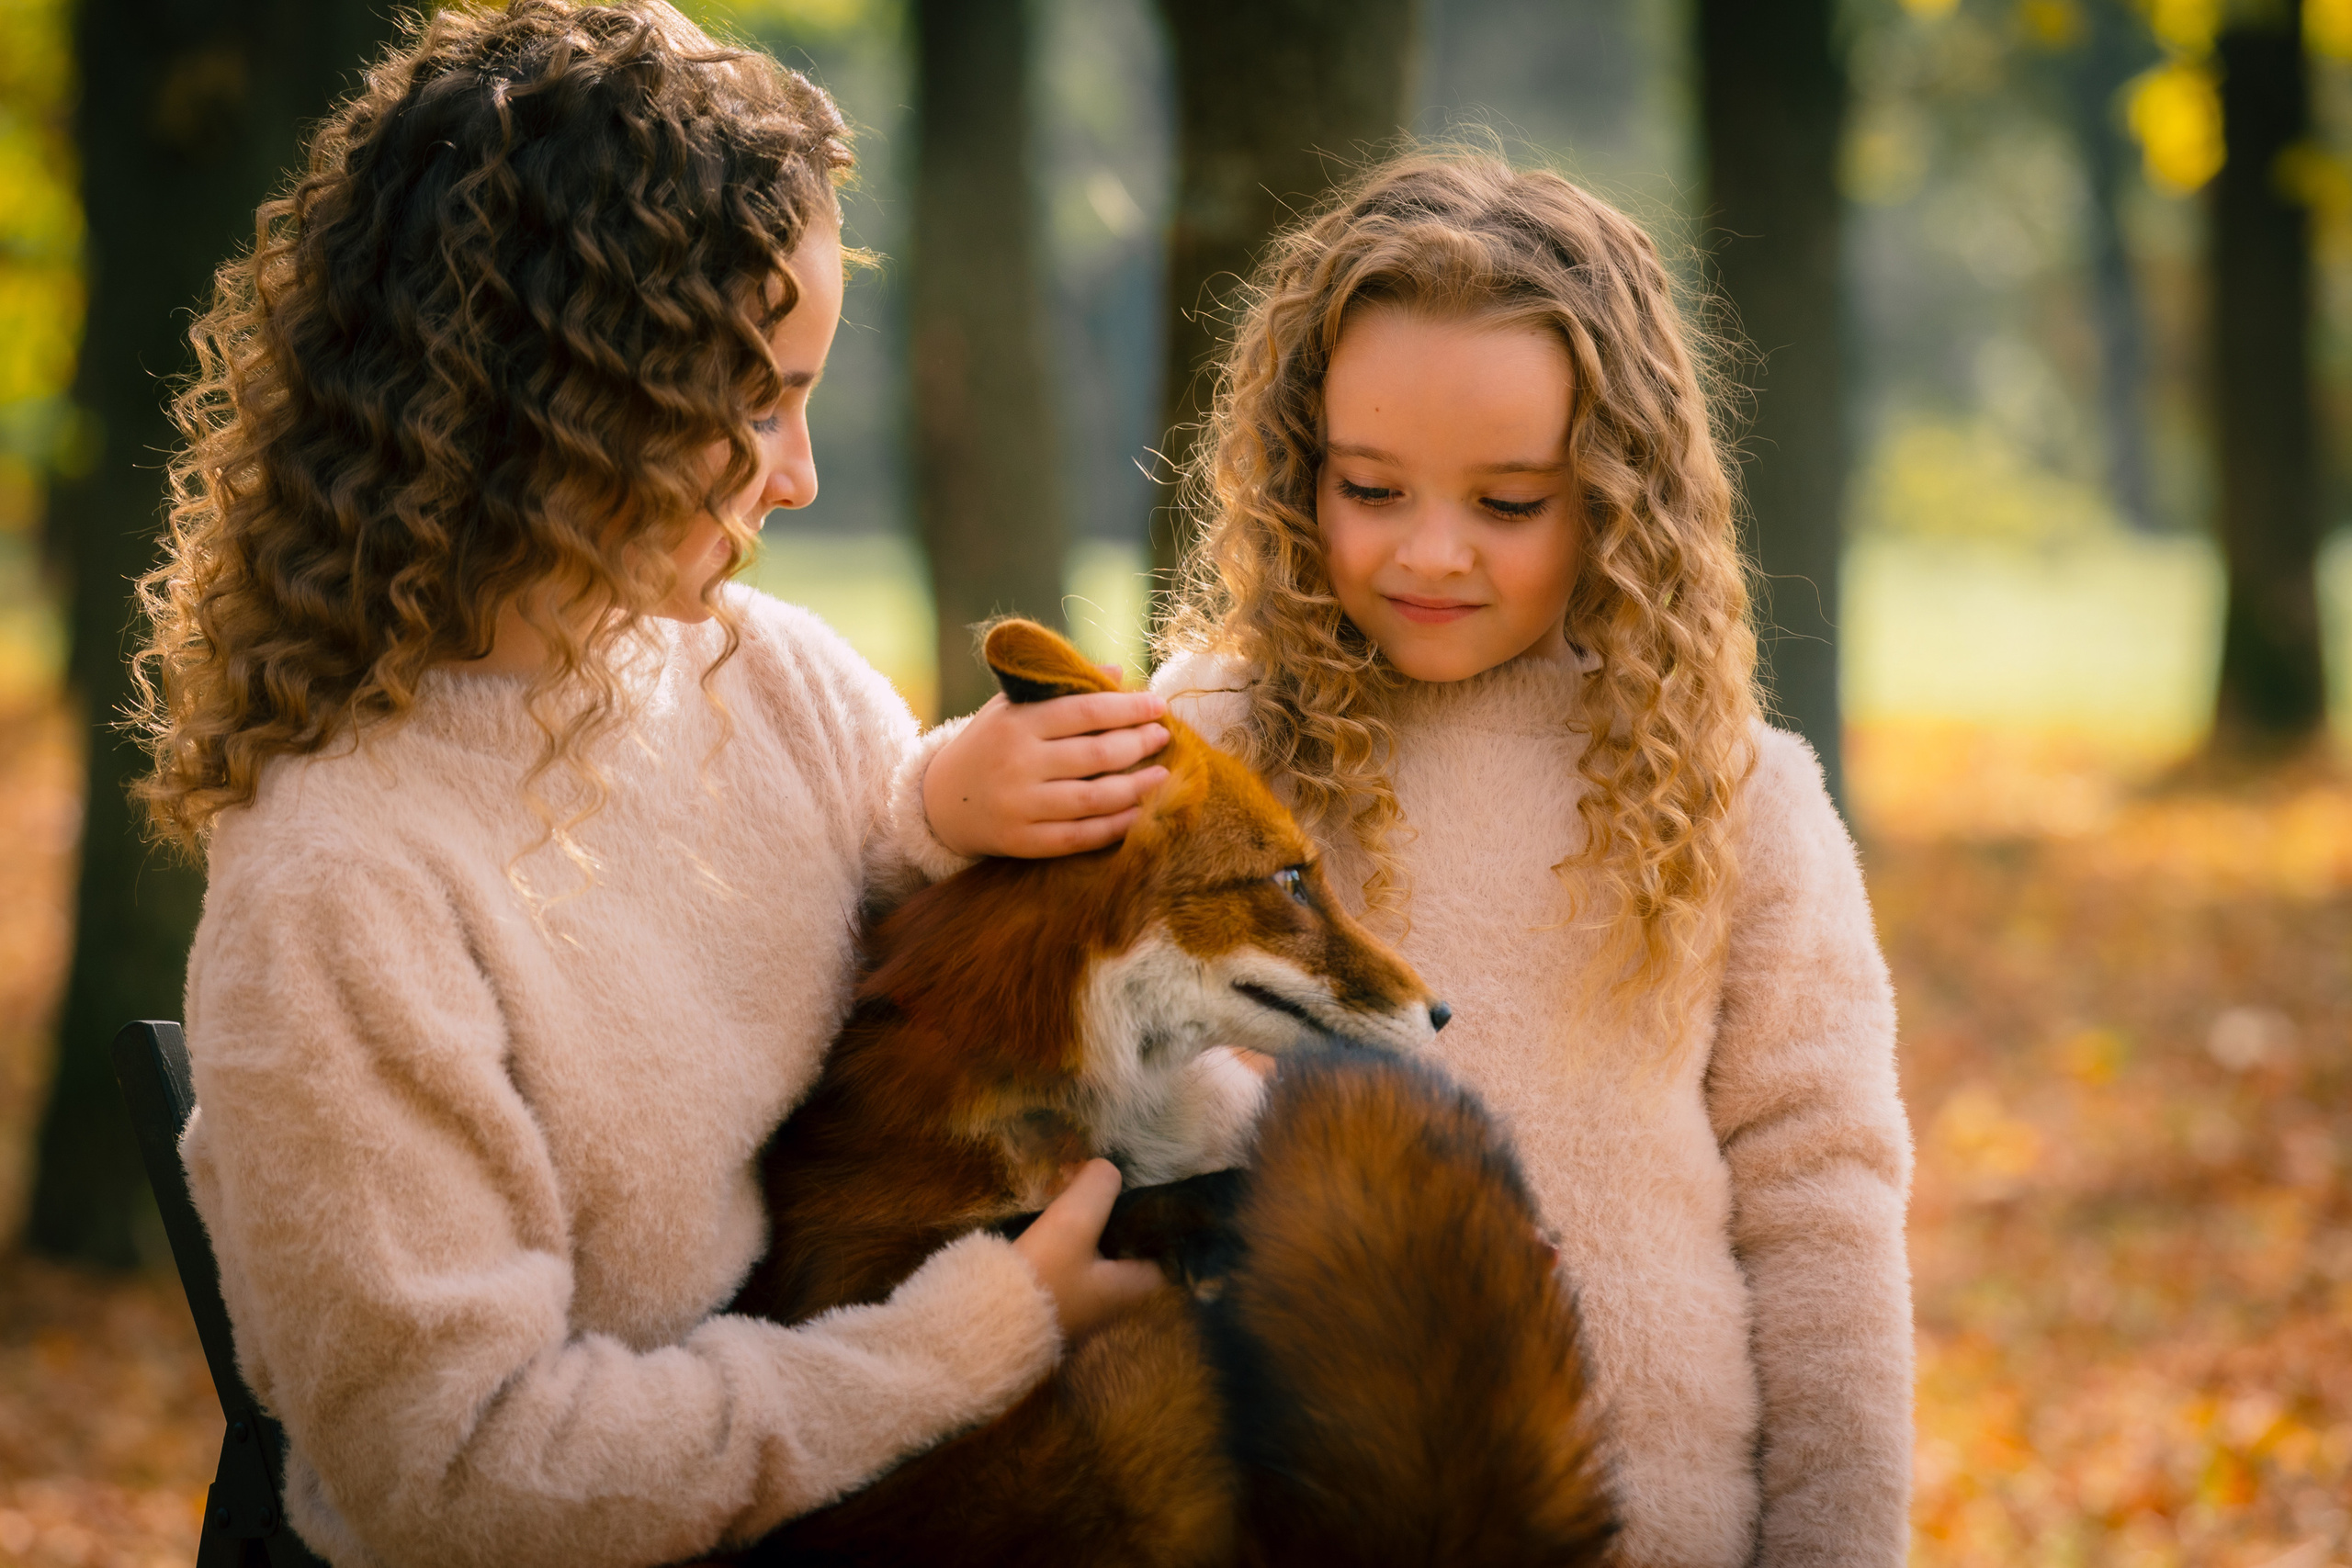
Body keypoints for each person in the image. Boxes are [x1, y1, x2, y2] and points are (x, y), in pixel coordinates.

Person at [136, 5, 1170, 1564]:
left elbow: (899, 941)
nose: (801, 474)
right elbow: (470, 1474)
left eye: (810, 395)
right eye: (755, 399)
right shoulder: (340, 885)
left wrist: (950, 808)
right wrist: (979, 1334)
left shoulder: (776, 678)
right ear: (541, 384)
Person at [1148, 154, 1915, 1567]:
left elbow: (1824, 1203)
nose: (1431, 553)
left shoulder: (1736, 797)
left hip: (1656, 1519)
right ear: (1298, 465)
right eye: (1372, 487)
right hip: (1284, 1510)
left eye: (1509, 504)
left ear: (1619, 497)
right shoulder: (1207, 743)